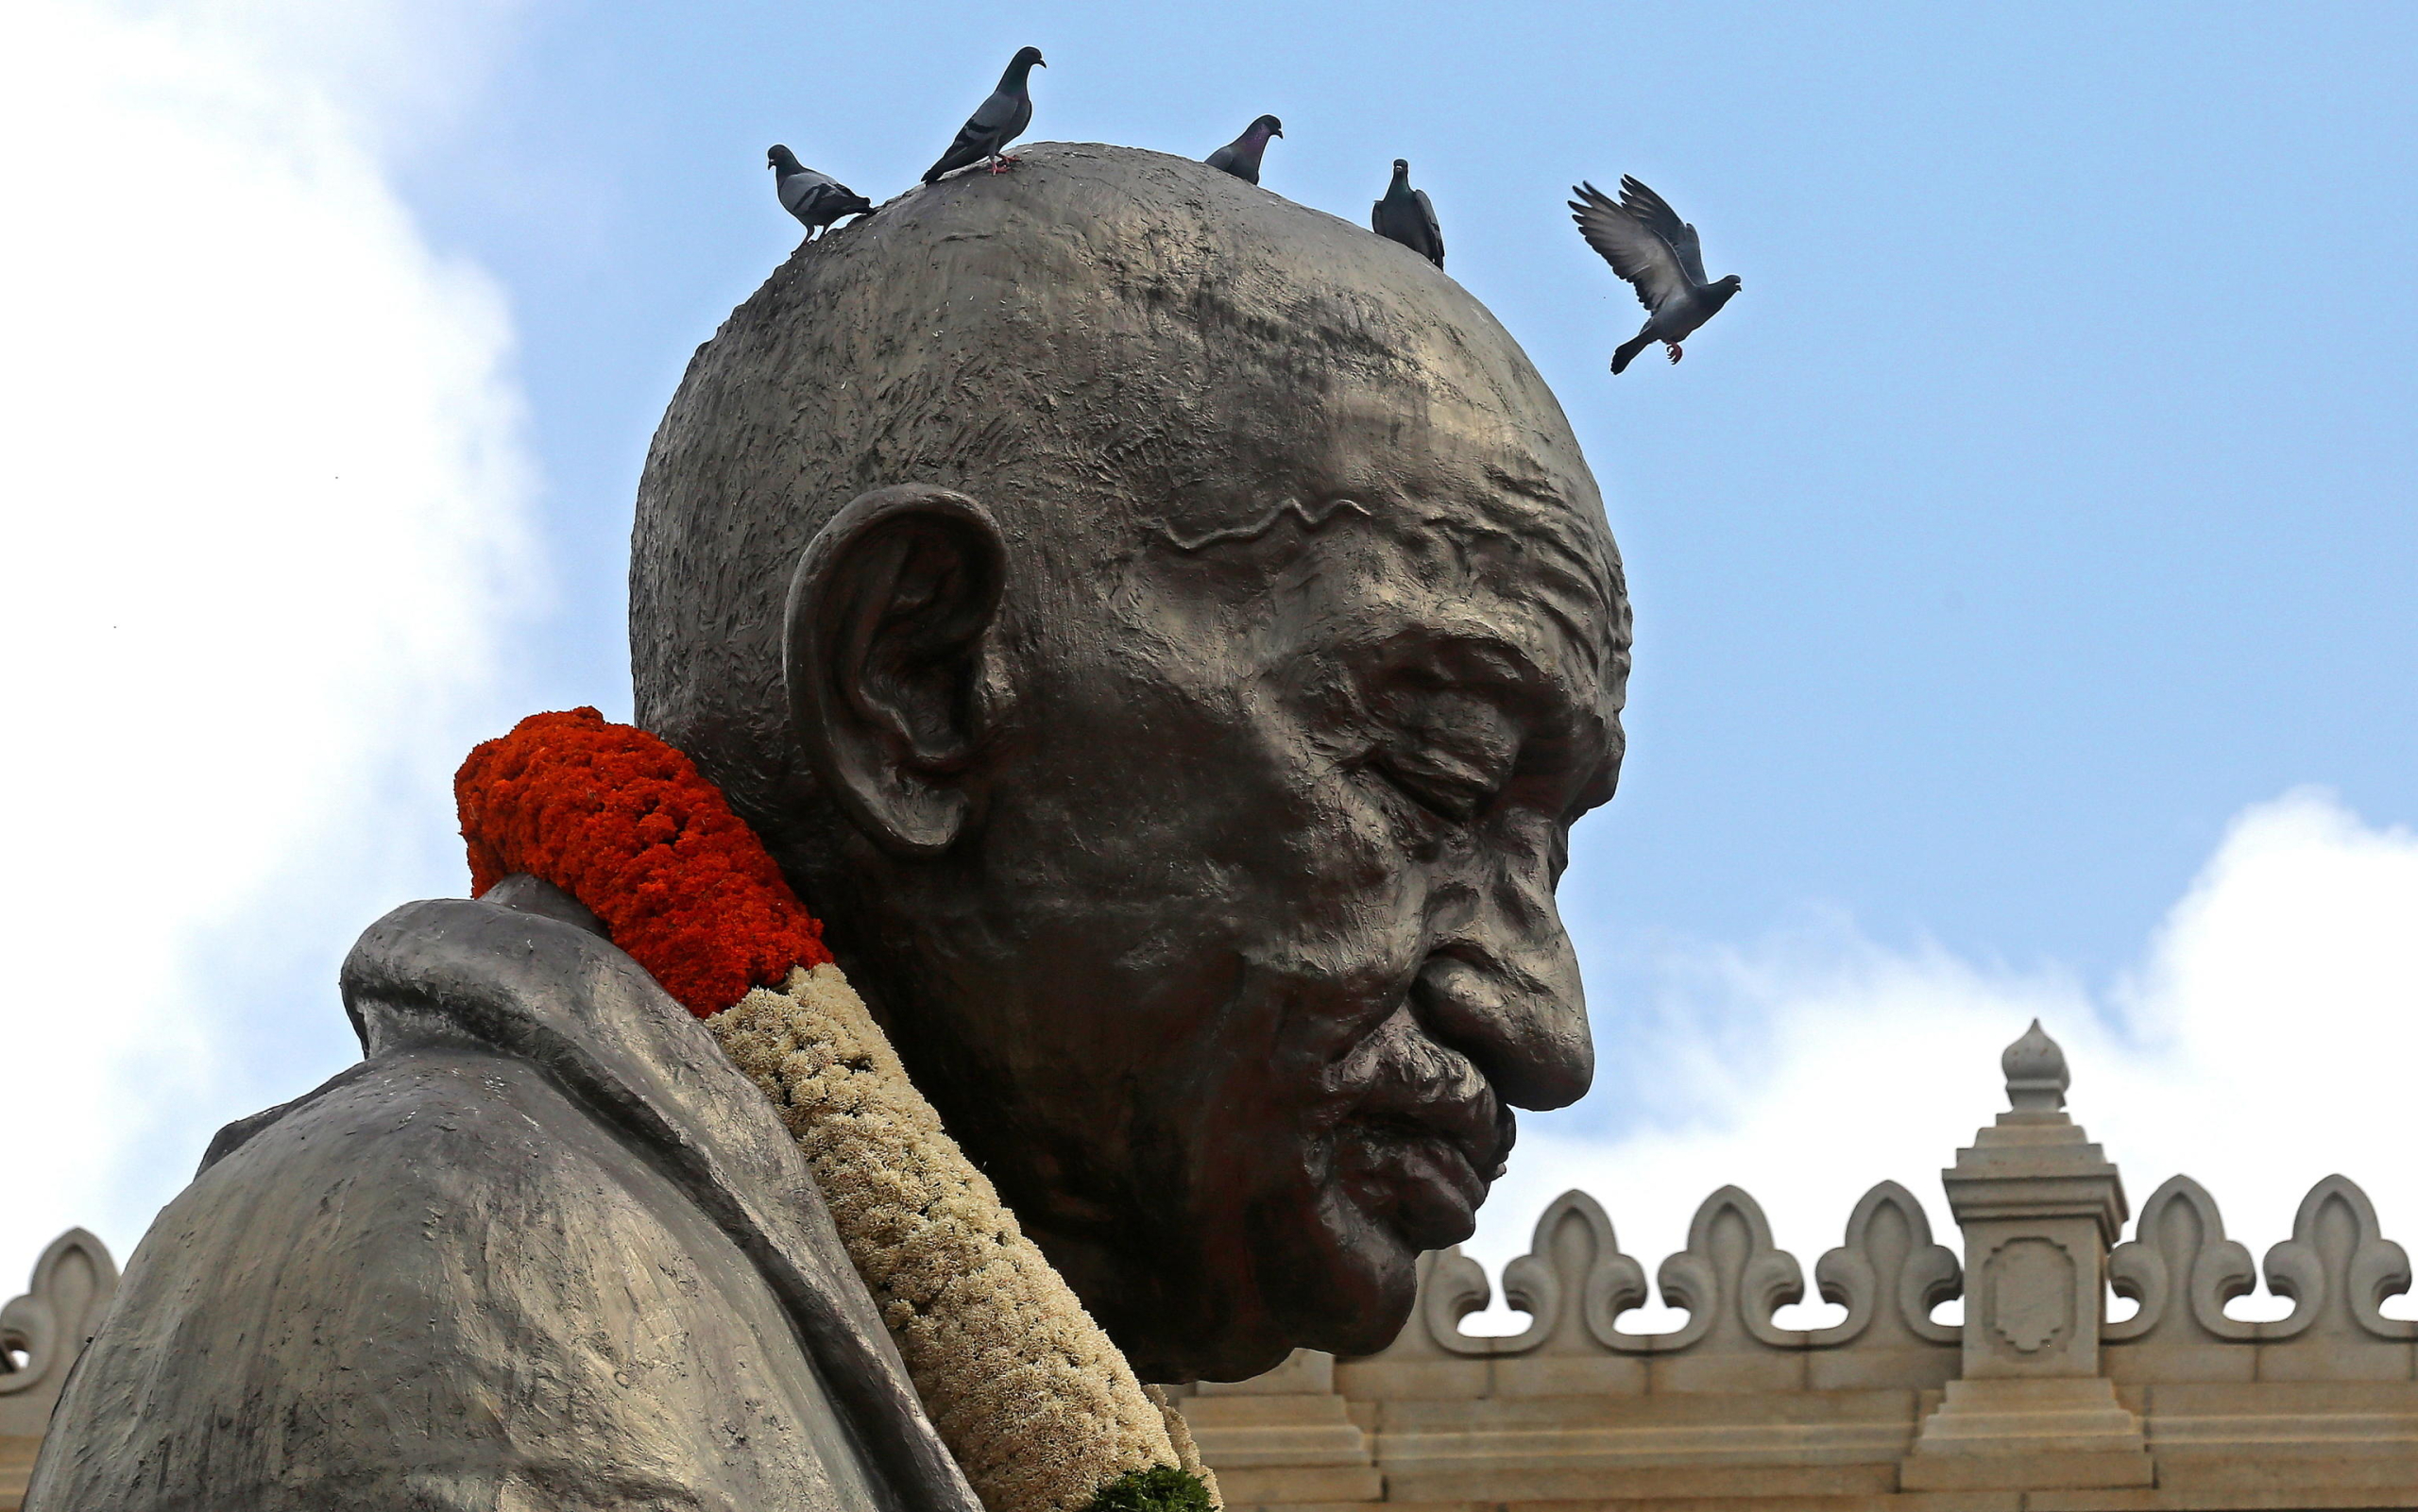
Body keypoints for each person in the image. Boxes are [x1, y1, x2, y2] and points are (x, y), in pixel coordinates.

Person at [29, 142, 1630, 1510]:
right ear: (918, 685)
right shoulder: (476, 1283)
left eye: (1548, 857)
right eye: (1432, 777)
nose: (1546, 1031)